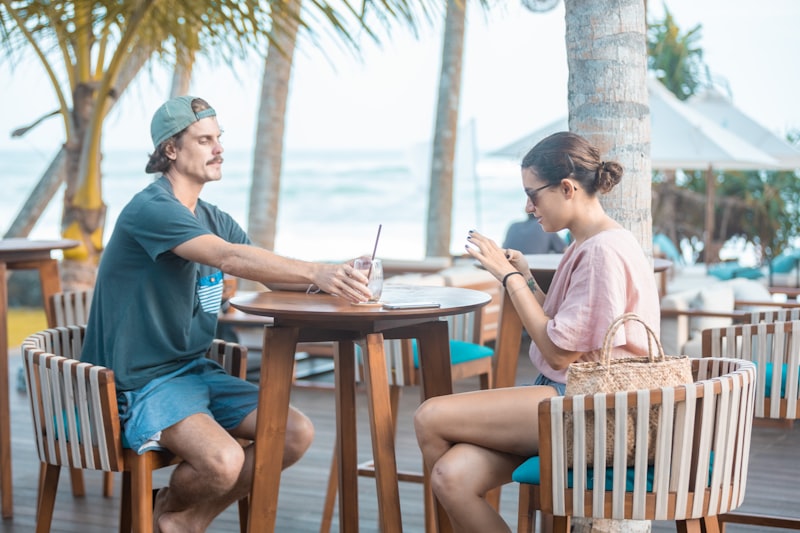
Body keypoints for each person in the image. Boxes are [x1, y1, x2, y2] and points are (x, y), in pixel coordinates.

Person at [81, 95, 373, 532]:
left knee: (292, 434)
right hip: (140, 381)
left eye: (219, 138)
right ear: (171, 151)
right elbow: (231, 259)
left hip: (194, 371)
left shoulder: (212, 217)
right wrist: (318, 271)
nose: (218, 148)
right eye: (204, 139)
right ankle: (172, 513)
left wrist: (340, 278)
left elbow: (266, 273)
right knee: (223, 460)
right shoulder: (153, 209)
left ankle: (182, 517)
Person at [413, 131, 660, 532]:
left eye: (534, 195)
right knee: (452, 476)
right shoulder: (590, 244)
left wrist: (508, 277)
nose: (528, 207)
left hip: (587, 407)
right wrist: (526, 278)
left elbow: (560, 353)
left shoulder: (601, 252)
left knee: (430, 416)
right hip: (576, 402)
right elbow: (566, 328)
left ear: (566, 188)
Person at [502, 212, 566, 254]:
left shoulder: (513, 225)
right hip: (535, 269)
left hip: (508, 267)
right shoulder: (545, 226)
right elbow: (565, 251)